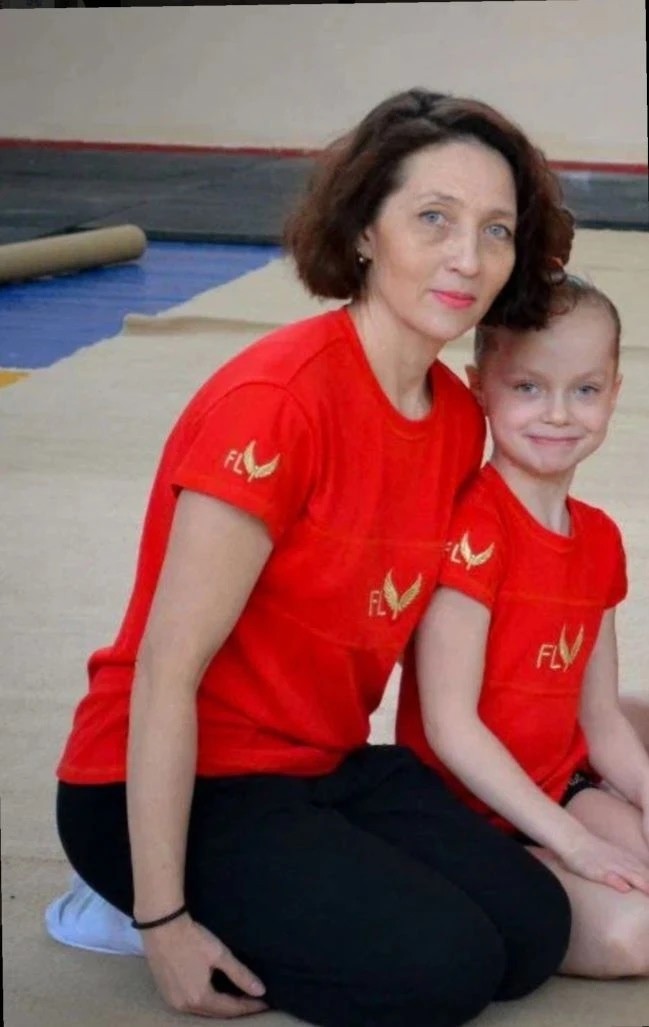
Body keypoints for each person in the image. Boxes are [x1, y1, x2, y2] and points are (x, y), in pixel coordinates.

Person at [55, 88, 574, 1027]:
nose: (468, 257)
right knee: (441, 973)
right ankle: (119, 900)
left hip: (320, 761)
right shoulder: (277, 404)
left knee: (532, 930)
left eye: (496, 229)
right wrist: (162, 917)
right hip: (174, 777)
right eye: (434, 218)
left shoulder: (458, 421)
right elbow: (167, 671)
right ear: (365, 229)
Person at [396, 275, 649, 980]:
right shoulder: (475, 528)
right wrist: (573, 844)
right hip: (463, 808)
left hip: (558, 783)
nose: (558, 414)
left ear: (614, 392)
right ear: (480, 386)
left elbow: (598, 716)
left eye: (584, 389)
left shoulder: (598, 538)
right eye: (529, 387)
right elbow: (450, 726)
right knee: (633, 936)